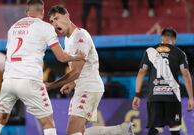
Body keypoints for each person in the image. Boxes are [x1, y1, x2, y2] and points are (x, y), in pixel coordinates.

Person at [0, 0, 85, 135]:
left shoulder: (13, 27)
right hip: (29, 80)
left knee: (0, 118)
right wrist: (76, 57)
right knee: (48, 122)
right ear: (43, 12)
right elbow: (61, 57)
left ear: (26, 12)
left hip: (9, 80)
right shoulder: (45, 27)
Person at [48, 5, 134, 135]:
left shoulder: (80, 36)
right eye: (52, 22)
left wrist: (52, 85)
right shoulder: (67, 39)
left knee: (72, 130)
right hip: (83, 86)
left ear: (67, 16)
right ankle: (121, 130)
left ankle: (120, 131)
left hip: (89, 86)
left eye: (57, 18)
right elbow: (78, 67)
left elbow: (76, 71)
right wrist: (71, 83)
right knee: (80, 131)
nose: (55, 24)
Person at [132, 28, 194, 135]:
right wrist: (191, 97)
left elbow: (141, 72)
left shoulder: (149, 51)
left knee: (155, 128)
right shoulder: (179, 53)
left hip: (155, 96)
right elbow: (186, 74)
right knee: (174, 129)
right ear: (174, 41)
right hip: (172, 96)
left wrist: (137, 95)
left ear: (161, 38)